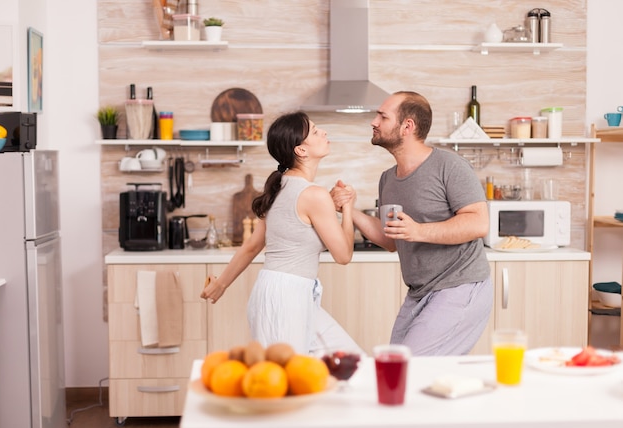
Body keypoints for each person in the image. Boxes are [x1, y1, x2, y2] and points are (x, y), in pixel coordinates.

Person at [331, 91, 493, 356]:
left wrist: (418, 230)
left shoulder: (449, 166)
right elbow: (390, 240)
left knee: (408, 368)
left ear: (407, 126)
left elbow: (478, 223)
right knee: (393, 363)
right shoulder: (388, 179)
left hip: (459, 286)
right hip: (419, 293)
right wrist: (350, 209)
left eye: (382, 116)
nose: (373, 121)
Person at [201, 111, 362, 355]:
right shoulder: (313, 194)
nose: (324, 133)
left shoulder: (281, 188)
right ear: (301, 150)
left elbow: (252, 246)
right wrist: (348, 206)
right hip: (287, 298)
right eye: (316, 131)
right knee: (284, 381)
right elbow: (344, 255)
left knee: (350, 360)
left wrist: (222, 284)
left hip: (282, 293)